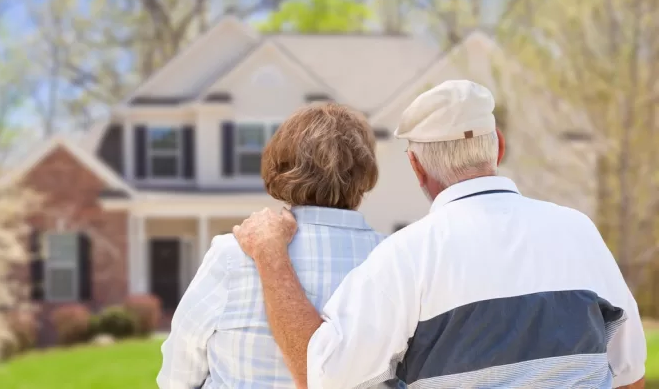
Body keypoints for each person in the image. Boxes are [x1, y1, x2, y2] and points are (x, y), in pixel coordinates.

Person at [232, 80, 647, 389]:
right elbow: (630, 374)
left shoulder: (408, 256)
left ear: (417, 168)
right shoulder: (578, 232)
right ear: (498, 147)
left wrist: (271, 255)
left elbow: (320, 376)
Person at [157, 103, 404, 388]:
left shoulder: (233, 255)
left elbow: (178, 372)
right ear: (364, 176)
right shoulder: (394, 260)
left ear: (280, 168)